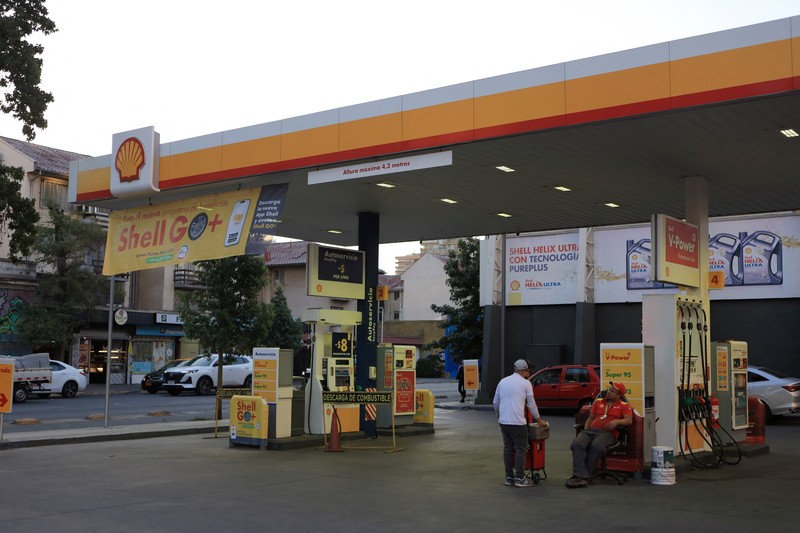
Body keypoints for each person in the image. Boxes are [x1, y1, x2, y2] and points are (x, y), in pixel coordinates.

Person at [566, 381, 633, 488]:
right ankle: (579, 475)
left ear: (619, 395)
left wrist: (616, 422)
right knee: (577, 444)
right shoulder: (598, 402)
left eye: (612, 391)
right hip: (590, 431)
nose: (608, 392)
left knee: (596, 446)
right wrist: (585, 431)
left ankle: (583, 476)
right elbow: (590, 418)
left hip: (607, 434)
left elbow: (629, 420)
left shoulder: (624, 405)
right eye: (609, 389)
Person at [493, 358, 548, 488]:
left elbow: (495, 402)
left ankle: (509, 478)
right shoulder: (526, 383)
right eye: (529, 370)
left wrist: (499, 415)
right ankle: (520, 478)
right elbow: (532, 404)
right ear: (524, 370)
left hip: (504, 422)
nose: (529, 372)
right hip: (518, 422)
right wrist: (539, 420)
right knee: (521, 449)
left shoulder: (503, 381)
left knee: (508, 448)